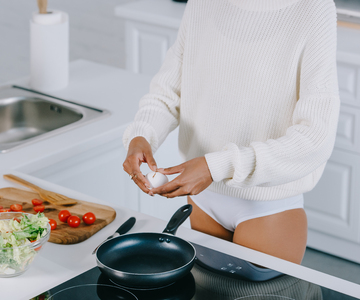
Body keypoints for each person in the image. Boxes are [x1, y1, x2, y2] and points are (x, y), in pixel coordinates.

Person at [122, 0, 339, 264]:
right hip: (203, 199)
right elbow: (169, 91)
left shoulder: (313, 8)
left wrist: (217, 166)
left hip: (266, 206)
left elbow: (316, 137)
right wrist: (142, 135)